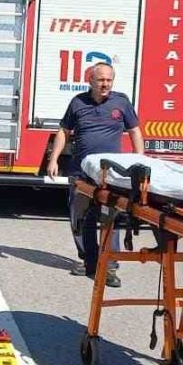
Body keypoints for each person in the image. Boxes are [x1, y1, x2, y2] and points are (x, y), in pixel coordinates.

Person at [46, 62, 144, 288]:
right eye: (101, 80)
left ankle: (109, 267)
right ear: (90, 81)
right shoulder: (78, 103)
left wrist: (140, 159)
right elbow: (63, 131)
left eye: (109, 80)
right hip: (81, 171)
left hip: (111, 174)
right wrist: (53, 159)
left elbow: (135, 130)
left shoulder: (121, 102)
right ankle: (88, 260)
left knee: (112, 217)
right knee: (80, 216)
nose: (105, 84)